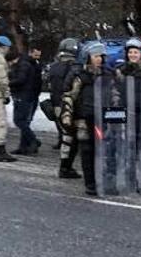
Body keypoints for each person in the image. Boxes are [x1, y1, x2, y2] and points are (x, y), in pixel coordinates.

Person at [60, 42, 111, 195]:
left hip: (101, 118)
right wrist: (67, 115)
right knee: (87, 150)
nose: (99, 59)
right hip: (83, 118)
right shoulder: (79, 75)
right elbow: (69, 96)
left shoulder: (107, 74)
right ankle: (90, 183)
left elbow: (114, 94)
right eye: (96, 56)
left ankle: (101, 179)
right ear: (88, 57)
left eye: (101, 56)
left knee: (100, 149)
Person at [49, 38, 82, 178]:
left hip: (57, 103)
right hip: (69, 104)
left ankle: (64, 165)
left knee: (66, 137)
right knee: (72, 138)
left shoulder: (54, 66)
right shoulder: (74, 67)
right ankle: (66, 167)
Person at [8, 48, 41, 155]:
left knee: (19, 120)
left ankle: (33, 140)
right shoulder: (30, 64)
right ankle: (23, 146)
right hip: (29, 95)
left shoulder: (23, 65)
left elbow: (21, 80)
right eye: (36, 55)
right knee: (24, 122)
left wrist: (8, 83)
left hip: (23, 95)